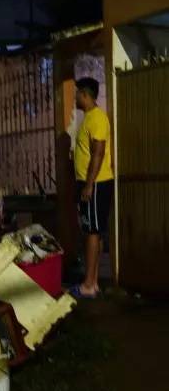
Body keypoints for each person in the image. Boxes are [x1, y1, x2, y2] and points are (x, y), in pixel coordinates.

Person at [70, 77, 114, 299]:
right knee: (93, 231)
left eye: (77, 93)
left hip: (95, 183)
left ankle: (88, 284)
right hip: (91, 183)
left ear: (85, 95)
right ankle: (93, 283)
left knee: (92, 232)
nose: (74, 96)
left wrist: (88, 185)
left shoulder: (97, 118)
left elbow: (98, 153)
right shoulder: (88, 118)